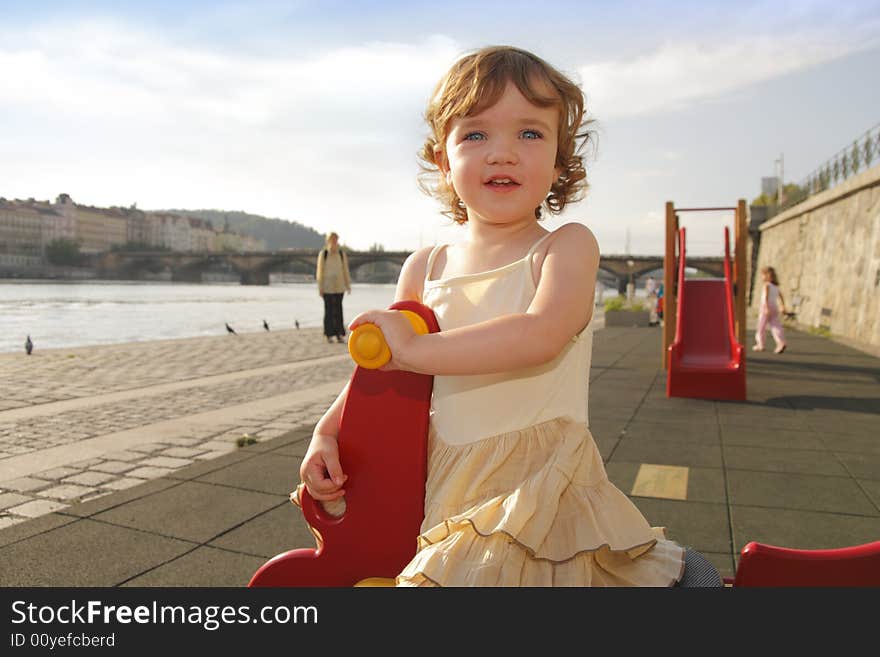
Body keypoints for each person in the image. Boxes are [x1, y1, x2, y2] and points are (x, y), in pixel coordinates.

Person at [298, 46, 703, 586]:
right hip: (449, 482)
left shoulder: (564, 248)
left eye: (530, 134)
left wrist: (414, 349)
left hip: (538, 486)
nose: (503, 153)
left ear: (561, 159)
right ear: (444, 159)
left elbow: (541, 333)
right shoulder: (425, 267)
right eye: (476, 134)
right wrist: (327, 432)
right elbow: (382, 374)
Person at [315, 231, 351, 344]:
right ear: (328, 240)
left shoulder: (341, 254)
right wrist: (320, 287)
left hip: (339, 286)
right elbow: (319, 271)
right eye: (332, 239)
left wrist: (348, 285)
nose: (334, 241)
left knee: (339, 310)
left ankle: (339, 334)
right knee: (329, 311)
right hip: (327, 287)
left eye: (336, 239)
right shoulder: (324, 254)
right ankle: (329, 334)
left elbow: (345, 269)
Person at [754, 266, 787, 354]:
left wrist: (766, 308)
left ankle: (760, 344)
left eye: (762, 275)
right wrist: (783, 306)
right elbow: (781, 296)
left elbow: (765, 297)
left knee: (761, 326)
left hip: (765, 306)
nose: (762, 277)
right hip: (774, 306)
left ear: (766, 275)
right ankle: (781, 342)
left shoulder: (767, 285)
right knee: (775, 325)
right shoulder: (776, 286)